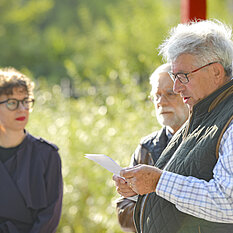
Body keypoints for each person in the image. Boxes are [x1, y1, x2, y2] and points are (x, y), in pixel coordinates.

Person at [114, 19, 233, 233]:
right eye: (174, 76)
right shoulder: (205, 113)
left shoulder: (228, 119)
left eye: (183, 76)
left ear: (216, 72)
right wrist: (138, 188)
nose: (177, 87)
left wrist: (157, 181)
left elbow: (228, 202)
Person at [113, 63, 189, 232]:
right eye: (157, 96)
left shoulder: (205, 139)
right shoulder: (146, 146)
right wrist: (129, 192)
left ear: (186, 94)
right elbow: (123, 210)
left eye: (170, 93)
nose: (162, 102)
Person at [0, 67, 63, 233]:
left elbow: (50, 217)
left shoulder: (47, 155)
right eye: (12, 102)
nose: (22, 109)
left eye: (26, 101)